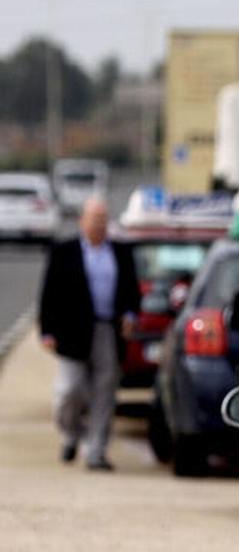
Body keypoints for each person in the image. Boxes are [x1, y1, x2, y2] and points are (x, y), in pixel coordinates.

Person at [38, 197, 140, 471]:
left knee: (104, 392)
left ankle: (96, 451)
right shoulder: (64, 251)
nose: (99, 225)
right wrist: (47, 331)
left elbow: (131, 291)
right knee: (69, 391)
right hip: (72, 333)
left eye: (103, 220)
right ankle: (72, 432)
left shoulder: (120, 252)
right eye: (94, 219)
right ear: (82, 221)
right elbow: (49, 293)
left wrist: (131, 316)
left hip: (108, 330)